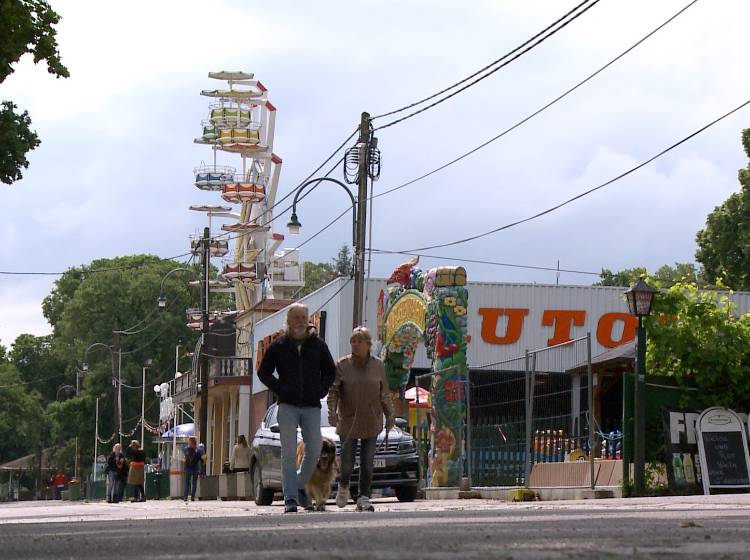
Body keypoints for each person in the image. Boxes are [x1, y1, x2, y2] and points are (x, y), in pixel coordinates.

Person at [257, 303, 336, 513]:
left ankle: (300, 484)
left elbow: (330, 371)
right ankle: (290, 498)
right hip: (288, 406)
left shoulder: (318, 345)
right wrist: (280, 389)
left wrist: (320, 390)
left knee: (315, 447)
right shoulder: (278, 345)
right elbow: (263, 372)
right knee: (289, 453)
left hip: (311, 405)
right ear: (289, 321)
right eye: (297, 317)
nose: (301, 321)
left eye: (304, 317)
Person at [327, 326, 395, 512]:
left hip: (371, 421)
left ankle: (364, 496)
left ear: (368, 345)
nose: (355, 345)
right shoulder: (342, 365)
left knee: (367, 461)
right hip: (348, 421)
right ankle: (344, 486)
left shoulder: (378, 365)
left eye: (359, 341)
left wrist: (390, 414)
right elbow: (333, 392)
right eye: (352, 341)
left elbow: (385, 393)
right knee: (347, 462)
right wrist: (331, 412)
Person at [183, 436, 204, 501]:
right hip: (192, 467)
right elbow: (204, 460)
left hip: (191, 467)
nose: (188, 443)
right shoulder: (198, 450)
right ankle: (189, 497)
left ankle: (189, 497)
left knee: (190, 482)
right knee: (191, 482)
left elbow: (204, 459)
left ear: (191, 442)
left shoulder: (186, 449)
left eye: (189, 442)